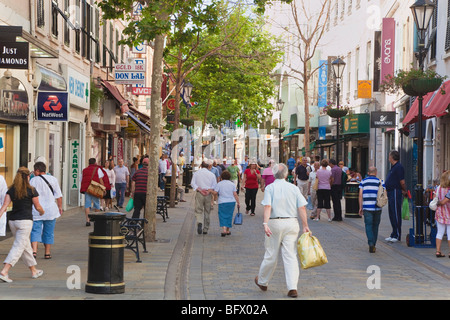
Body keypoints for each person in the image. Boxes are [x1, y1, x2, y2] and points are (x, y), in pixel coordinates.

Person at [255, 163, 310, 298]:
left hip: (275, 222)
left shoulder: (270, 188)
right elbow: (302, 207)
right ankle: (292, 287)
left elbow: (267, 205)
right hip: (291, 222)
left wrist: (265, 223)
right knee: (290, 255)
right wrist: (305, 225)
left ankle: (263, 281)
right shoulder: (293, 188)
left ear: (274, 175)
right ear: (286, 174)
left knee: (271, 254)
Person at [0, 167, 45, 283]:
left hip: (13, 222)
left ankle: (34, 270)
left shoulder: (11, 190)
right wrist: (42, 212)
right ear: (28, 176)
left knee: (25, 246)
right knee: (18, 246)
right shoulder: (31, 190)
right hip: (25, 222)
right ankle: (5, 271)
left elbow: (4, 206)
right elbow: (37, 206)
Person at [30, 162, 63, 260]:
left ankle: (34, 251)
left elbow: (30, 195)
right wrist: (60, 207)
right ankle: (47, 253)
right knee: (49, 232)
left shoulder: (33, 181)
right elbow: (59, 195)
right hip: (51, 210)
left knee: (35, 230)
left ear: (37, 170)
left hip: (37, 209)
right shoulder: (53, 179)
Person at [358, 167, 383, 253]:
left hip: (367, 207)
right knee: (375, 226)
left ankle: (370, 243)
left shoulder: (363, 181)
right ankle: (374, 244)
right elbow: (384, 194)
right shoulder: (380, 181)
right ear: (376, 173)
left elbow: (360, 195)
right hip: (377, 207)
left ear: (368, 172)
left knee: (368, 225)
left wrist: (360, 207)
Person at [385, 150, 407, 243]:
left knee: (395, 212)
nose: (388, 157)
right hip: (390, 191)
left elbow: (402, 181)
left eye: (389, 156)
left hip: (395, 191)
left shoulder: (398, 167)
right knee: (391, 213)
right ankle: (393, 233)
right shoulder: (393, 167)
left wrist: (404, 190)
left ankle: (397, 234)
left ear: (393, 157)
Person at [191, 161, 218, 235]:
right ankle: (205, 229)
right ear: (208, 166)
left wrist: (199, 189)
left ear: (201, 166)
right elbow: (214, 185)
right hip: (208, 194)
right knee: (207, 211)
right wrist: (209, 191)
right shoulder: (211, 174)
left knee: (198, 210)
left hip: (200, 193)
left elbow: (192, 183)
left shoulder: (197, 173)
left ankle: (199, 222)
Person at [211, 171, 240, 237]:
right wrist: (238, 202)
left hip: (222, 202)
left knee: (222, 215)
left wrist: (210, 191)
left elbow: (215, 193)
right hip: (231, 202)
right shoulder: (232, 184)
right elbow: (235, 194)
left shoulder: (219, 184)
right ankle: (227, 230)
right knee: (229, 215)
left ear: (222, 177)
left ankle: (223, 229)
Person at [80, 158, 106, 226]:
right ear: (95, 163)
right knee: (97, 204)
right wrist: (103, 188)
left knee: (87, 204)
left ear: (88, 163)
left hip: (87, 189)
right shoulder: (98, 169)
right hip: (94, 189)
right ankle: (96, 220)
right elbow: (100, 180)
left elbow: (81, 179)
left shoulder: (84, 170)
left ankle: (87, 221)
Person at [434, 170, 450, 258]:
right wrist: (442, 202)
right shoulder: (449, 189)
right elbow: (445, 201)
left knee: (439, 232)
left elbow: (434, 198)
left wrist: (438, 202)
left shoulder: (438, 188)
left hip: (440, 213)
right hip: (449, 213)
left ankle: (438, 251)